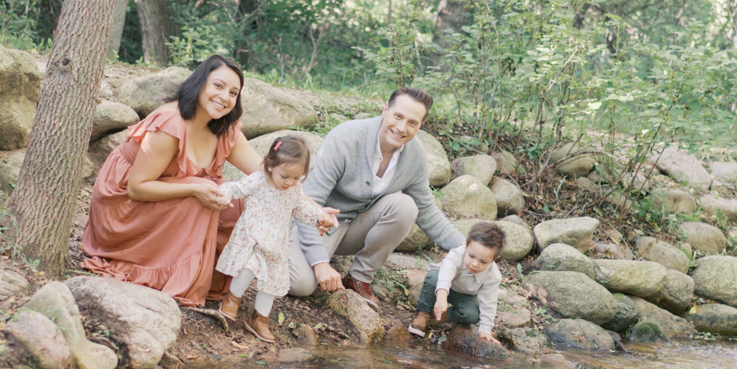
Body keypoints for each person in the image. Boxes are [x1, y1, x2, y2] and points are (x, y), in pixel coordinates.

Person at [82, 55, 263, 307]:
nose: (225, 97)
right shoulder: (170, 124)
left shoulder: (224, 128)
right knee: (205, 194)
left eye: (233, 93)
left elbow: (266, 173)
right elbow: (137, 188)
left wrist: (315, 210)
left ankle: (208, 273)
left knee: (233, 200)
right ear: (200, 84)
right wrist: (194, 188)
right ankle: (168, 273)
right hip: (122, 204)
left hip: (160, 195)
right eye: (218, 86)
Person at [289, 86, 464, 302]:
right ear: (385, 110)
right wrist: (320, 264)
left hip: (355, 228)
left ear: (421, 125)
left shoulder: (415, 155)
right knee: (300, 285)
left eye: (412, 123)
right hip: (319, 223)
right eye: (397, 116)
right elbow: (308, 204)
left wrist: (468, 249)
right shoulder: (346, 138)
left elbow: (427, 210)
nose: (401, 128)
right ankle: (293, 251)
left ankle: (359, 278)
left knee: (405, 206)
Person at [216, 135, 338, 342]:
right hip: (252, 239)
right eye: (285, 176)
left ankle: (260, 319)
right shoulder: (259, 180)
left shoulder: (294, 189)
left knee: (271, 282)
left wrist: (318, 215)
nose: (290, 182)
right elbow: (237, 187)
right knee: (248, 268)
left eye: (296, 178)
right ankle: (232, 299)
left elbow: (301, 209)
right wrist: (224, 193)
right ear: (270, 166)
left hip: (277, 245)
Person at [409, 221, 505, 341]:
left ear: (494, 259)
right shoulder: (457, 254)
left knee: (472, 314)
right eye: (471, 256)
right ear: (465, 245)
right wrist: (441, 298)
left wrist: (485, 330)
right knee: (433, 277)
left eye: (483, 262)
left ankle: (443, 315)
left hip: (463, 295)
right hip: (441, 285)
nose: (475, 264)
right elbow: (445, 276)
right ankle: (423, 313)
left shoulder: (493, 276)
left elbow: (489, 302)